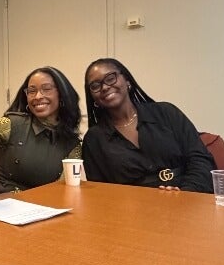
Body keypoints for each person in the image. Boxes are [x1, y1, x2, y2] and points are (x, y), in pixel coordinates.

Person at [82, 57, 215, 192]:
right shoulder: (94, 139)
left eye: (110, 78)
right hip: (132, 210)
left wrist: (186, 193)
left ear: (127, 80)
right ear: (93, 98)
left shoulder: (166, 113)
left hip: (189, 200)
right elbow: (100, 192)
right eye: (95, 86)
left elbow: (200, 159)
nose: (104, 87)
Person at [0, 66, 81, 193]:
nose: (38, 96)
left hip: (41, 207)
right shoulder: (9, 123)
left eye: (46, 89)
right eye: (31, 91)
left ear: (62, 94)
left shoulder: (73, 145)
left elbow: (64, 190)